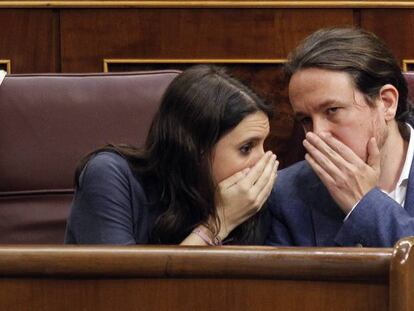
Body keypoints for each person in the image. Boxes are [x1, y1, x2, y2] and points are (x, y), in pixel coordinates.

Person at [65, 65, 278, 245]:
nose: (264, 161)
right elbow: (126, 292)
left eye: (264, 144)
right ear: (196, 149)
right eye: (247, 148)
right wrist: (218, 223)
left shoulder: (250, 204)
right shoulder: (109, 176)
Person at [266, 27, 414, 247]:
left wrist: (365, 205)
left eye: (332, 110)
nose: (318, 134)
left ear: (386, 102)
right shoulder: (285, 194)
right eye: (306, 120)